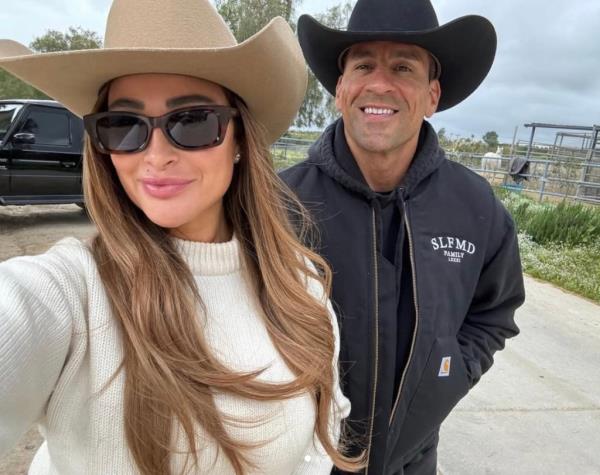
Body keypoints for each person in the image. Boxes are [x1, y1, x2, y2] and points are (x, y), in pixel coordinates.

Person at [0, 1, 365, 474]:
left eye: (192, 120)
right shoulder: (70, 292)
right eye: (123, 124)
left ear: (239, 140)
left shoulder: (303, 292)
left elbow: (319, 446)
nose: (155, 155)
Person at [280, 0, 526, 473]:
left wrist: (446, 376)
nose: (379, 82)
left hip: (413, 461)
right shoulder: (278, 204)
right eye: (364, 64)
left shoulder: (476, 209)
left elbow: (494, 311)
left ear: (432, 94)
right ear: (340, 88)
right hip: (301, 462)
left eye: (403, 67)